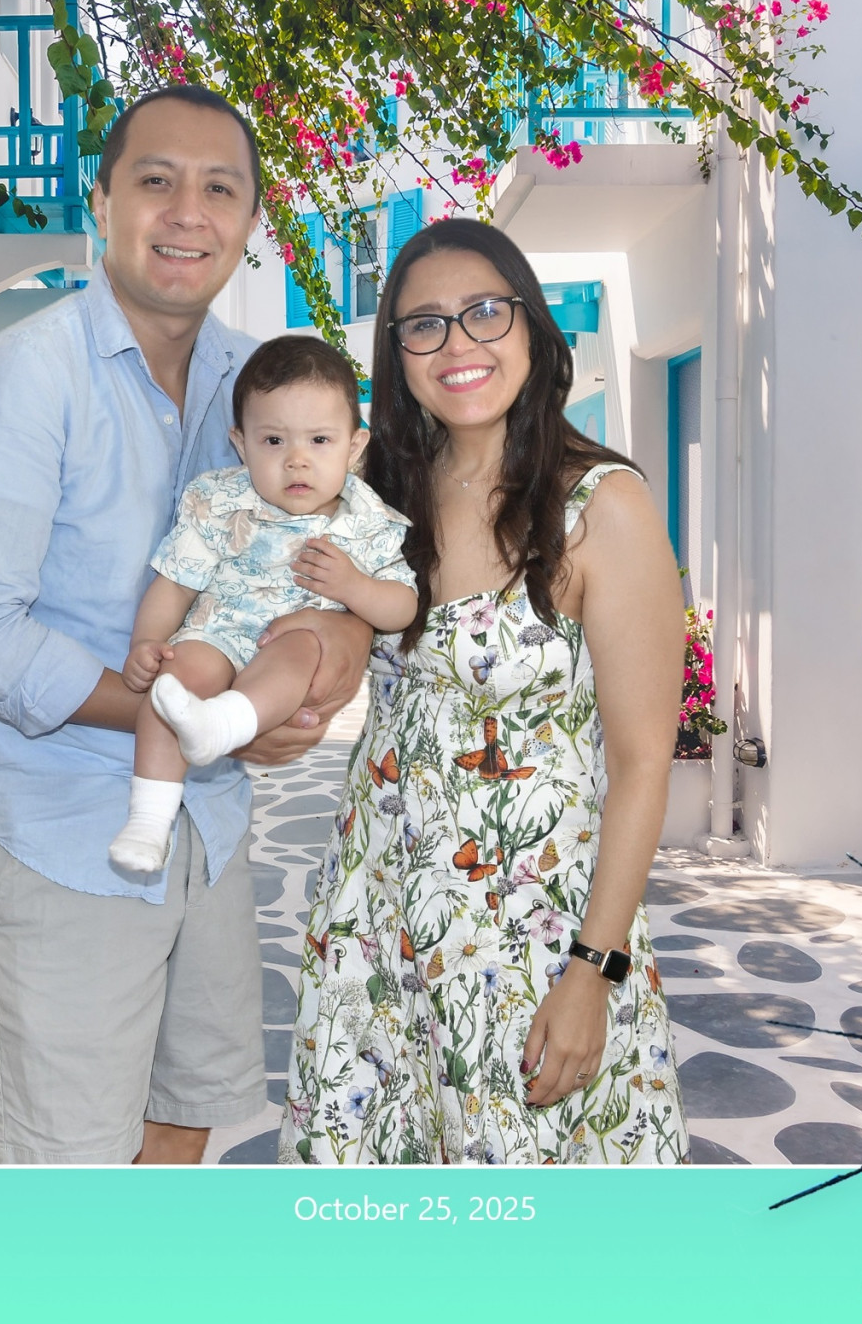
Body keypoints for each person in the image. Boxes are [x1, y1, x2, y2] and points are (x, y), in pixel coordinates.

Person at [0, 85, 373, 1166]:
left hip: (206, 829)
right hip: (68, 832)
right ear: (102, 201)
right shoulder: (28, 378)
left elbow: (335, 562)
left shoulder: (257, 385)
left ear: (250, 219)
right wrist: (191, 715)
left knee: (184, 1113)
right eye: (156, 181)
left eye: (219, 188)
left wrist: (312, 681)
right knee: (75, 1163)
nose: (187, 213)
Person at [279, 218, 690, 1165]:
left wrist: (593, 971)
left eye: (484, 313)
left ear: (532, 326)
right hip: (377, 927)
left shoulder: (602, 506)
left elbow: (642, 765)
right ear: (397, 355)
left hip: (530, 944)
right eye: (424, 324)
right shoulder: (380, 496)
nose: (457, 343)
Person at [111, 337, 420, 871]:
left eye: (320, 440)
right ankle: (148, 821)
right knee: (171, 686)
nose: (297, 459)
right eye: (273, 440)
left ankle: (223, 723)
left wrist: (353, 588)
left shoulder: (366, 522)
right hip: (216, 631)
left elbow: (403, 606)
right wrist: (147, 643)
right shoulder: (219, 501)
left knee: (301, 646)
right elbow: (176, 583)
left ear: (354, 446)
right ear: (241, 443)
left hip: (288, 644)